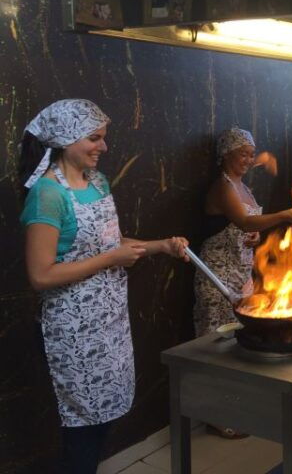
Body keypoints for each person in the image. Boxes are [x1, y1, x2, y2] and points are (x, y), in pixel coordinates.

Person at [18, 99, 189, 474]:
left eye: (103, 137)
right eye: (94, 138)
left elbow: (111, 243)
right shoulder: (47, 194)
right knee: (82, 430)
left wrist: (162, 246)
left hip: (109, 322)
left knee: (102, 421)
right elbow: (41, 275)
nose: (104, 146)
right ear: (66, 139)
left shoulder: (97, 182)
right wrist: (112, 259)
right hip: (71, 330)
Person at [194, 128, 292, 337]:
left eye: (252, 155)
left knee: (242, 335)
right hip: (219, 275)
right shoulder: (223, 186)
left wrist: (256, 235)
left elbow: (248, 226)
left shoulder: (243, 188)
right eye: (243, 154)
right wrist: (283, 216)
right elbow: (244, 222)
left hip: (242, 274)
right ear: (226, 153)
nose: (249, 160)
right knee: (216, 339)